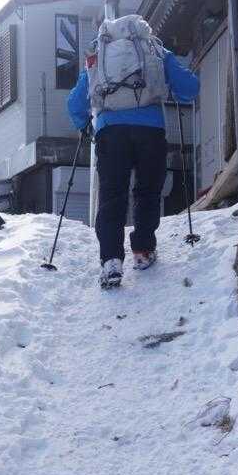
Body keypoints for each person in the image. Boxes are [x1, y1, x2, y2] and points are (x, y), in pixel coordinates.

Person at [67, 21, 200, 288]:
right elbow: (190, 88)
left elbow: (74, 102)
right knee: (147, 191)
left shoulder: (99, 54)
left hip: (110, 131)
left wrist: (85, 124)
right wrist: (172, 90)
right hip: (150, 130)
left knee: (111, 196)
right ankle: (143, 250)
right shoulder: (155, 50)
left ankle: (111, 261)